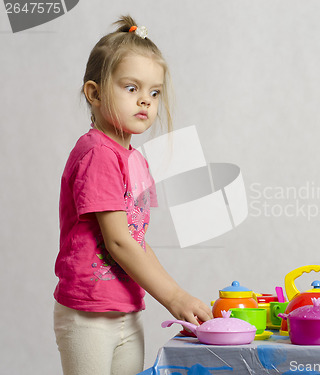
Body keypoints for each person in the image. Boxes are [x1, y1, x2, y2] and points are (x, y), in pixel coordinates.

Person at [53, 15, 212, 375]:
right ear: (94, 93)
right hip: (88, 316)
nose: (145, 101)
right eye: (131, 88)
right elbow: (119, 242)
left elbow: (136, 239)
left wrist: (177, 293)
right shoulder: (97, 153)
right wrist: (174, 296)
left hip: (125, 309)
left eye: (154, 93)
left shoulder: (132, 158)